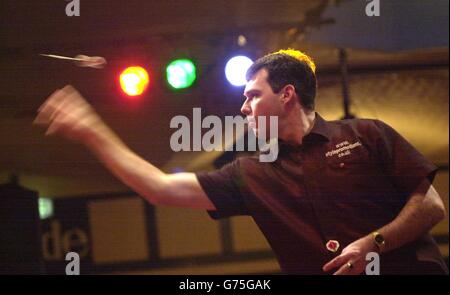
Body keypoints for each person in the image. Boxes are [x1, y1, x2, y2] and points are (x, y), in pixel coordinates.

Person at [34, 49, 448, 275]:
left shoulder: (366, 135)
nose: (243, 106)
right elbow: (158, 188)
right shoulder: (252, 173)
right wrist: (92, 131)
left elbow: (431, 206)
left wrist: (372, 246)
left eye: (253, 95)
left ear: (286, 94)